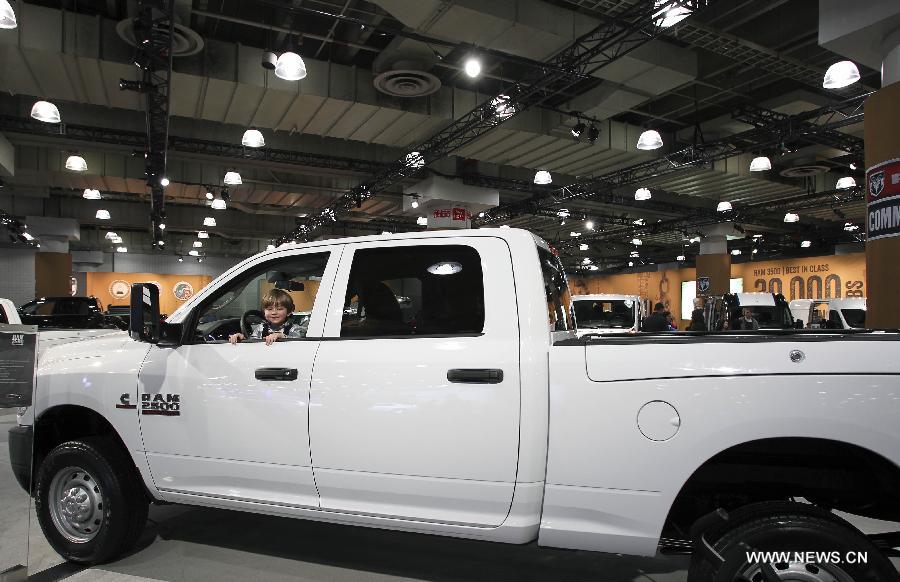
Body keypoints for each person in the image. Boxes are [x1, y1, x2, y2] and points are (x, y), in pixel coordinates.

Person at [229, 289, 305, 345]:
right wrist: (242, 338)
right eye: (269, 309)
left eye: (279, 309)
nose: (274, 313)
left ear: (288, 312)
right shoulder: (260, 328)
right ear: (264, 312)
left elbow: (299, 342)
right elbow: (252, 344)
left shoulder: (295, 328)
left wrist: (281, 336)